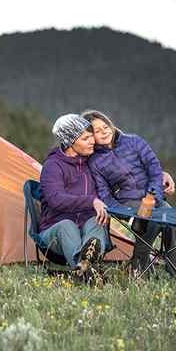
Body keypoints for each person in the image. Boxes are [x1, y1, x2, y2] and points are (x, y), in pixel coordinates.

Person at [81, 110, 176, 274]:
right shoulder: (94, 161)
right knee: (153, 220)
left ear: (111, 124)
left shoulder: (133, 141)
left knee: (170, 218)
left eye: (105, 126)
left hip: (152, 196)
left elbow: (154, 169)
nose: (104, 131)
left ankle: (175, 267)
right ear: (91, 136)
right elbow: (104, 193)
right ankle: (140, 265)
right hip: (126, 202)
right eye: (97, 130)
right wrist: (121, 210)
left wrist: (153, 196)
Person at [39, 114, 110, 279]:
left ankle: (84, 268)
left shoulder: (91, 162)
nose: (92, 141)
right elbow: (55, 199)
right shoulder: (53, 166)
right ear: (70, 142)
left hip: (86, 229)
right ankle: (87, 270)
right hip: (56, 233)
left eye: (92, 137)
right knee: (67, 225)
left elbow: (121, 166)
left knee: (96, 221)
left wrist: (158, 175)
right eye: (86, 138)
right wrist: (91, 201)